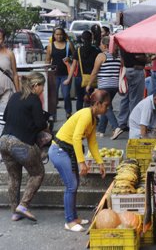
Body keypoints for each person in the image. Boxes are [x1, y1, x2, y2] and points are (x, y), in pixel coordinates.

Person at [48, 89, 108, 232]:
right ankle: (69, 222)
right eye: (106, 105)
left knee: (74, 184)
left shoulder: (93, 119)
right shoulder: (86, 115)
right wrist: (82, 162)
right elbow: (76, 137)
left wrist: (100, 163)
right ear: (98, 104)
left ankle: (74, 218)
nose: (108, 108)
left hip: (67, 151)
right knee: (71, 185)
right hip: (59, 150)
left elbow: (92, 143)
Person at [0, 72, 47, 222]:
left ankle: (15, 212)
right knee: (38, 173)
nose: (43, 90)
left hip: (4, 141)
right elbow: (40, 124)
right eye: (42, 86)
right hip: (20, 144)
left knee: (14, 177)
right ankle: (23, 205)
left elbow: (6, 117)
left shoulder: (14, 96)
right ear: (35, 86)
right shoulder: (34, 100)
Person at [86, 36, 121, 138]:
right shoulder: (118, 56)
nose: (99, 46)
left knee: (106, 107)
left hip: (104, 85)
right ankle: (101, 131)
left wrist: (89, 85)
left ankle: (116, 127)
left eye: (101, 44)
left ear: (105, 45)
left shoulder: (102, 56)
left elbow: (94, 72)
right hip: (115, 85)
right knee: (106, 106)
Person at [112, 51, 147, 140]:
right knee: (135, 100)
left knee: (126, 98)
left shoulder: (123, 41)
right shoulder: (136, 42)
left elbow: (121, 57)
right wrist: (146, 58)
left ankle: (121, 123)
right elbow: (140, 57)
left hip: (127, 70)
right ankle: (134, 124)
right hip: (136, 69)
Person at [45, 27, 76, 119]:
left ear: (64, 35)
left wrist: (69, 58)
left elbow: (75, 57)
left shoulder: (68, 44)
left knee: (66, 95)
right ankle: (53, 114)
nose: (59, 36)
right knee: (53, 96)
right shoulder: (50, 45)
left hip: (66, 74)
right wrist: (47, 72)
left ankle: (68, 112)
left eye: (61, 34)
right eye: (57, 34)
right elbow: (47, 60)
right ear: (54, 35)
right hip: (54, 74)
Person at [66, 30, 100, 111]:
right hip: (92, 78)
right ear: (91, 39)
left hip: (80, 78)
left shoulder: (78, 50)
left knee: (79, 99)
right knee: (91, 99)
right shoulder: (96, 51)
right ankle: (91, 117)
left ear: (82, 39)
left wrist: (69, 78)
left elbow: (73, 66)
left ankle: (79, 116)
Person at [0, 28, 20, 134]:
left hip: (7, 89)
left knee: (2, 116)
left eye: (0, 38)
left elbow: (15, 74)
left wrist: (18, 92)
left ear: (3, 39)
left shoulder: (9, 54)